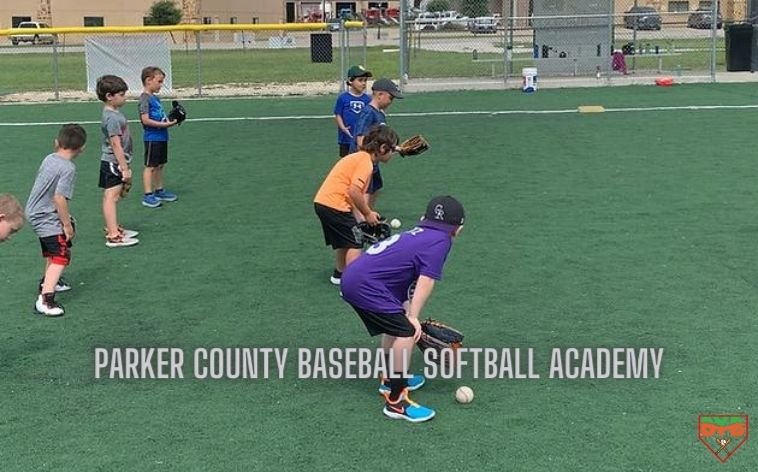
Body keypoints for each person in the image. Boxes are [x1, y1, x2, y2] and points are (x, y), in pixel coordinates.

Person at [340, 195, 466, 423]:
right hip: (366, 285)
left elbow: (405, 280)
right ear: (458, 229)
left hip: (358, 278)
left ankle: (389, 380)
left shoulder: (418, 234)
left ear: (423, 219)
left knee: (396, 327)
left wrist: (407, 312)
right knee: (405, 332)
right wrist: (413, 318)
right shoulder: (442, 241)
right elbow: (426, 280)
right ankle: (396, 402)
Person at [314, 125, 399, 285]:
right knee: (355, 241)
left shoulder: (358, 157)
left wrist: (360, 217)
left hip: (324, 203)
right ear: (382, 148)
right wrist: (368, 213)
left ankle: (339, 274)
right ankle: (353, 282)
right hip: (335, 205)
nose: (394, 152)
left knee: (344, 240)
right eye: (392, 149)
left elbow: (350, 192)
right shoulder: (366, 163)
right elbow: (353, 191)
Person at [24, 124, 87, 316]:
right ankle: (45, 299)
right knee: (61, 254)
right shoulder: (68, 168)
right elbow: (59, 198)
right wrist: (66, 224)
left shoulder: (49, 158)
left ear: (56, 143)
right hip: (44, 215)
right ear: (81, 148)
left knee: (53, 250)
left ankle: (49, 281)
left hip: (35, 210)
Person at [97, 74, 139, 248]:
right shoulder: (112, 118)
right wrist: (124, 168)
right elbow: (115, 144)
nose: (124, 97)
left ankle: (113, 227)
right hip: (114, 162)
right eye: (121, 94)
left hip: (114, 162)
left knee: (113, 196)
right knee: (111, 197)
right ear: (109, 96)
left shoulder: (114, 113)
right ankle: (113, 235)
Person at [349, 78, 404, 208]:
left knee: (375, 187)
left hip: (373, 160)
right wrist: (366, 158)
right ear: (380, 95)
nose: (391, 102)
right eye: (390, 98)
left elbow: (381, 140)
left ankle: (369, 213)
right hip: (364, 160)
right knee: (366, 189)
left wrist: (398, 149)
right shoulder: (368, 112)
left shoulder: (380, 114)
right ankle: (363, 218)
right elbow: (360, 139)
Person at [139, 66, 178, 208]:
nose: (161, 85)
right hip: (152, 137)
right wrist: (164, 126)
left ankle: (159, 189)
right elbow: (145, 120)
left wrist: (171, 119)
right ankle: (148, 195)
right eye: (159, 81)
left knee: (160, 165)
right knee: (150, 166)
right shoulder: (145, 99)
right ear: (148, 80)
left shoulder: (155, 98)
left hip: (162, 137)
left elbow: (160, 117)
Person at [333, 65, 372, 157]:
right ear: (351, 81)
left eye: (365, 80)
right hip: (346, 139)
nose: (363, 83)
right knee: (346, 161)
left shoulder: (367, 99)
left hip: (362, 139)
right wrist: (343, 127)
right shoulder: (343, 98)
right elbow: (338, 114)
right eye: (360, 80)